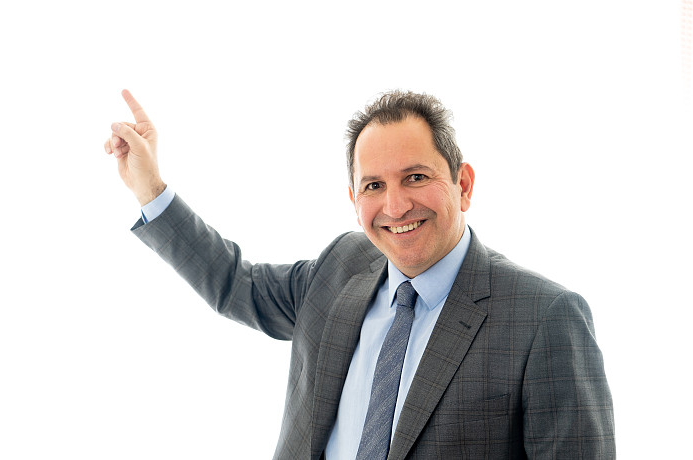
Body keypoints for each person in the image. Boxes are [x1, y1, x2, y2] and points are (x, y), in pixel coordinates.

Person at [103, 89, 615, 459]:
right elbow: (237, 284)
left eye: (415, 177)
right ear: (354, 201)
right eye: (373, 186)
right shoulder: (341, 268)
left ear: (463, 184)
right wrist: (151, 189)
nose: (395, 205)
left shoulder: (544, 318)